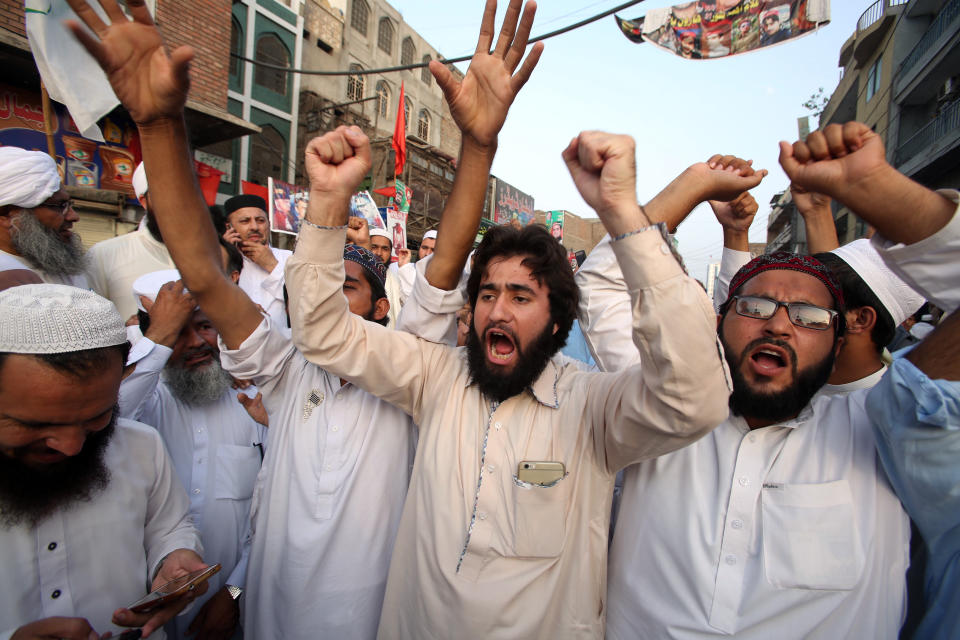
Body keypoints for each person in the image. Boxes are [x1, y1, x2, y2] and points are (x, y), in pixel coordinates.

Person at [60, 1, 517, 637]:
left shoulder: (415, 371)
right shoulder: (282, 369)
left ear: (384, 309)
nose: (325, 300)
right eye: (318, 288)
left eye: (348, 287)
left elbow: (445, 262)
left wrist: (478, 144)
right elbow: (201, 273)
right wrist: (159, 125)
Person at [585, 122, 958, 638]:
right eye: (755, 306)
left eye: (807, 316)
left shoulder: (889, 434)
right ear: (719, 321)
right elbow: (605, 281)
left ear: (842, 338)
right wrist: (695, 183)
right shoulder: (662, 407)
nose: (778, 324)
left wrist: (871, 188)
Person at [0, 283, 207, 639]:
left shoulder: (142, 446)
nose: (71, 446)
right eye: (37, 424)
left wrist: (175, 557)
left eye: (95, 418)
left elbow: (170, 528)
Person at [119, 271, 267, 640]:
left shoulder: (255, 405)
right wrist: (159, 339)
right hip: (145, 613)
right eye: (179, 332)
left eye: (204, 326)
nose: (197, 342)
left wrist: (234, 594)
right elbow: (106, 421)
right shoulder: (145, 403)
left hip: (233, 605)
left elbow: (268, 521)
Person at [87, 159, 176, 320]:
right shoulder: (104, 255)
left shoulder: (213, 255)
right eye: (167, 194)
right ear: (144, 201)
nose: (179, 204)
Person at [0, 147, 89, 290]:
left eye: (69, 204)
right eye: (60, 206)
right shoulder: (5, 274)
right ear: (6, 215)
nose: (74, 216)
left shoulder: (65, 265)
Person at [221, 194, 293, 333]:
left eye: (260, 220)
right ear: (229, 227)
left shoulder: (290, 258)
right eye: (245, 221)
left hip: (285, 349)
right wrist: (225, 255)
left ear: (269, 224)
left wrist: (272, 265)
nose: (254, 226)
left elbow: (304, 303)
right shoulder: (217, 260)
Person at [396, 228, 436, 303]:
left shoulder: (443, 280)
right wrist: (404, 267)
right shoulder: (405, 267)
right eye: (424, 248)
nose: (427, 253)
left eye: (433, 250)